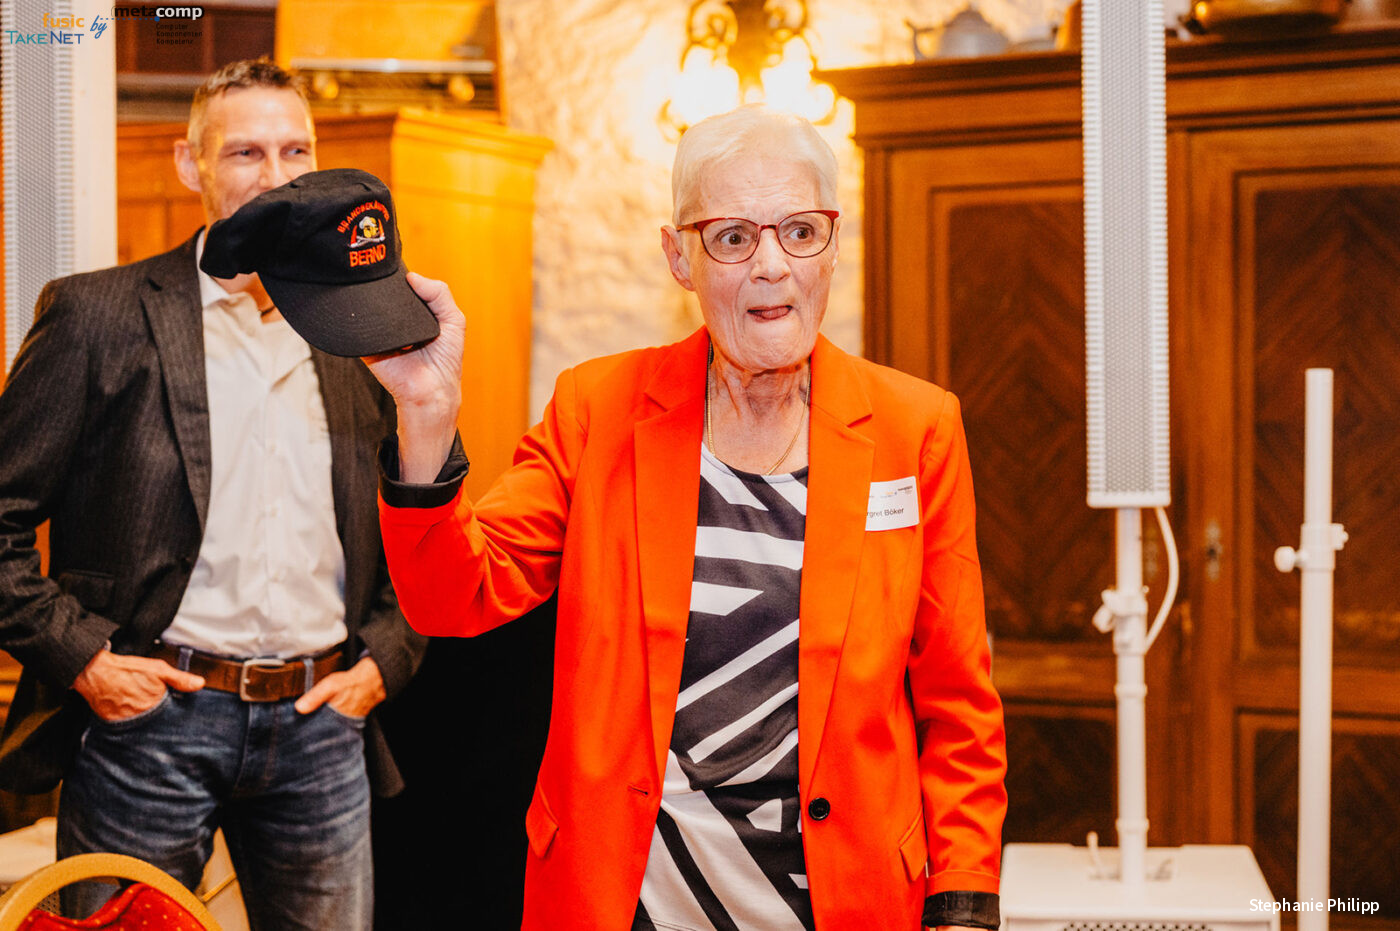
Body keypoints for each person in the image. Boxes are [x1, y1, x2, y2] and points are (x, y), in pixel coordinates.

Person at [370, 105, 1006, 930]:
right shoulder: (597, 410)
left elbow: (957, 701)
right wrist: (426, 418)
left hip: (843, 902)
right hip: (625, 903)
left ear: (833, 244)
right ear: (680, 257)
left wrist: (963, 903)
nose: (772, 266)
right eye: (733, 238)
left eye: (800, 232)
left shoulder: (915, 430)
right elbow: (452, 596)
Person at [0, 58, 424, 928]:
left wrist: (384, 659)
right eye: (245, 153)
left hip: (321, 723)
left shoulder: (361, 329)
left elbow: (420, 510)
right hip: (150, 722)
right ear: (189, 164)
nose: (276, 178)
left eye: (295, 151)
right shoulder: (97, 316)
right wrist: (86, 660)